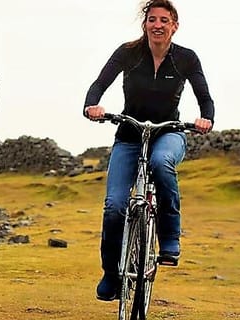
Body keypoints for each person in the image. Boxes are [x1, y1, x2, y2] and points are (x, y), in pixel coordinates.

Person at [83, 0, 214, 301]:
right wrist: (92, 105)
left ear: (174, 26)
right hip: (129, 134)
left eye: (164, 20)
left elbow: (205, 97)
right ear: (145, 24)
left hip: (168, 133)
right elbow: (99, 84)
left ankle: (169, 238)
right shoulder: (128, 53)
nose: (157, 25)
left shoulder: (186, 58)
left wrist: (205, 118)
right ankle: (110, 272)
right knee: (115, 205)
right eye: (152, 19)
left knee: (161, 162)